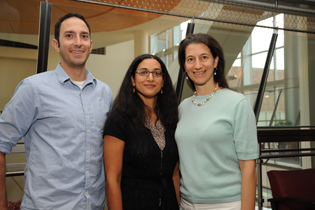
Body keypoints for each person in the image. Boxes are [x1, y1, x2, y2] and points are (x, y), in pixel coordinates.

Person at [0, 13, 112, 210]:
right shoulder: (33, 88)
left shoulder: (105, 92)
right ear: (56, 44)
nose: (78, 42)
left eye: (84, 36)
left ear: (91, 44)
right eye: (69, 36)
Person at [175, 33, 258, 210]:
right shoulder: (182, 107)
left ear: (215, 61)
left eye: (204, 57)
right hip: (187, 204)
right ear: (184, 66)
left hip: (227, 205)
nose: (197, 65)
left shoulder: (237, 103)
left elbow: (248, 167)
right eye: (190, 59)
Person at [103, 54, 180, 210]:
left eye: (157, 73)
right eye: (143, 72)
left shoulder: (171, 118)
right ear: (132, 80)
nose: (150, 78)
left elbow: (174, 175)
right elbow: (113, 180)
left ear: (163, 80)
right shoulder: (119, 120)